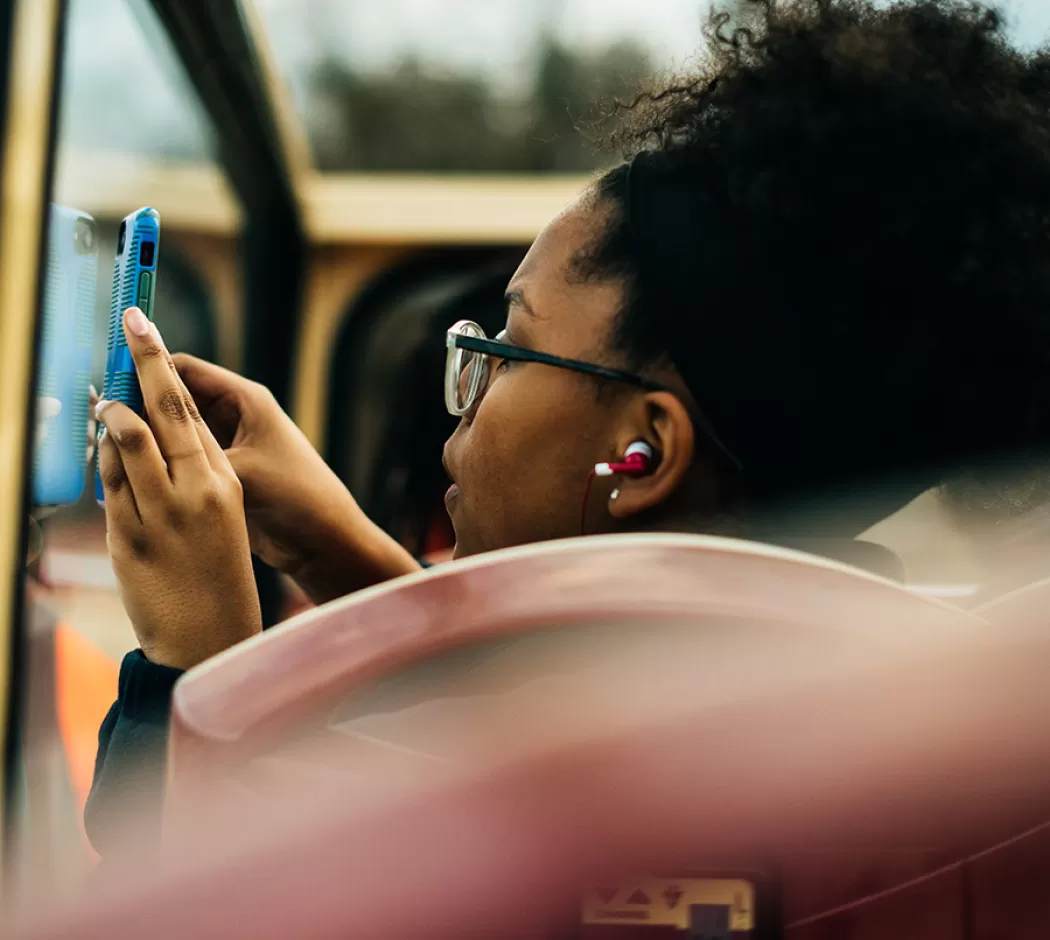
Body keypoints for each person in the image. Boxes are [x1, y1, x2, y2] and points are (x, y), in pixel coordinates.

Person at [86, 0, 1050, 856]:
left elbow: (189, 902)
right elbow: (539, 681)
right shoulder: (846, 715)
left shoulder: (585, 817)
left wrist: (192, 663)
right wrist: (343, 555)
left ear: (647, 453)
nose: (467, 386)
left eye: (509, 347)